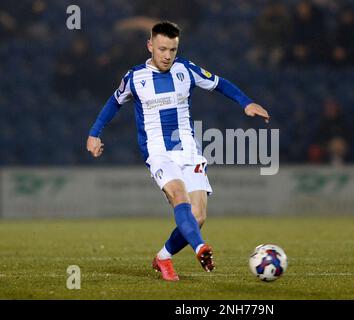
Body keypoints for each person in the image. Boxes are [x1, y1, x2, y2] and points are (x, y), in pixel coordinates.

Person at [86, 21, 270, 281]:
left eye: (172, 50)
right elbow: (113, 102)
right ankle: (200, 247)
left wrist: (246, 102)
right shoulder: (135, 77)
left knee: (198, 216)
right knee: (178, 196)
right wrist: (95, 132)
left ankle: (163, 257)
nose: (167, 55)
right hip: (158, 152)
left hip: (188, 152)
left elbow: (219, 83)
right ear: (150, 46)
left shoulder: (186, 69)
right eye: (162, 49)